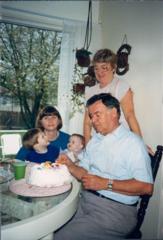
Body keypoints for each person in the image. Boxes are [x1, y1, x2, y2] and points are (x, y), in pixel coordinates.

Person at [54, 93, 153, 240]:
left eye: (97, 115)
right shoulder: (95, 141)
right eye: (91, 116)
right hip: (85, 202)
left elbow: (146, 187)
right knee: (51, 230)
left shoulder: (132, 143)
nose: (93, 121)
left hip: (115, 211)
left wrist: (106, 184)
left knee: (61, 237)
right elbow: (85, 174)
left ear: (113, 113)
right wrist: (69, 164)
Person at [83, 48, 142, 145]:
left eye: (104, 67)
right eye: (96, 68)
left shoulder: (121, 86)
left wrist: (140, 143)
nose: (99, 72)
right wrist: (87, 146)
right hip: (98, 142)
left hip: (119, 141)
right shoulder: (90, 91)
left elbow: (130, 115)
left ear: (113, 68)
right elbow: (87, 123)